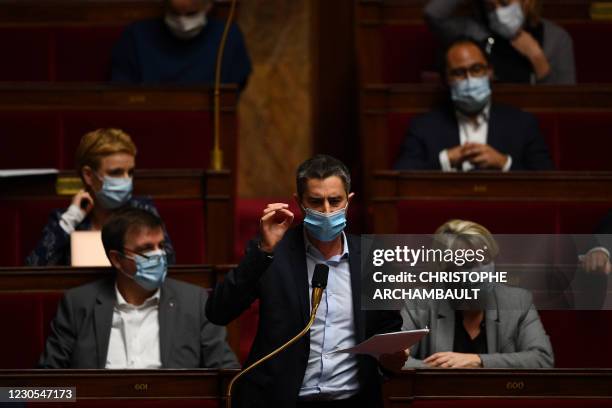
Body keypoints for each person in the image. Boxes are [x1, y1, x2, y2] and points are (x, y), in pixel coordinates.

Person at [206, 155, 405, 408]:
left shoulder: (373, 258)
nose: (326, 211)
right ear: (299, 203)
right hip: (284, 400)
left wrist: (393, 357)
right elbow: (218, 312)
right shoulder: (272, 255)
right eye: (315, 202)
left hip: (353, 400)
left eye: (335, 201)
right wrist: (263, 251)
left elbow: (387, 330)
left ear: (348, 201)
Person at [39, 207, 238, 369]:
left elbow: (226, 374)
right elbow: (48, 382)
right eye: (146, 249)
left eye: (161, 246)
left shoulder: (196, 302)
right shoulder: (78, 304)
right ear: (117, 259)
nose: (159, 255)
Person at [401, 219, 554, 368]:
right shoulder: (420, 302)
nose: (482, 272)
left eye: (486, 261)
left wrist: (478, 361)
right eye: (468, 264)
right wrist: (442, 369)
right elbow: (393, 360)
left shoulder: (518, 301)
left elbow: (542, 359)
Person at [394, 38, 554, 171]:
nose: (469, 79)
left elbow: (547, 180)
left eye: (476, 69)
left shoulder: (522, 123)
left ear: (490, 73)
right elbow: (401, 177)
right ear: (445, 80)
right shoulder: (423, 126)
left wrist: (504, 163)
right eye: (458, 73)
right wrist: (446, 160)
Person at [26, 128, 175, 266]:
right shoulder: (67, 219)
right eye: (116, 173)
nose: (126, 180)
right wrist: (70, 219)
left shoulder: (143, 209)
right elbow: (34, 269)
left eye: (130, 172)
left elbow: (168, 262)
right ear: (89, 175)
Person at [424, 0, 575, 84]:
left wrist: (537, 58)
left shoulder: (556, 38)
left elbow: (563, 103)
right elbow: (432, 14)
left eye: (504, 3)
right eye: (490, 6)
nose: (497, 12)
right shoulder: (472, 30)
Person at [111, 0, 251, 89]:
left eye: (191, 14)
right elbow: (121, 94)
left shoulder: (228, 37)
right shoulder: (136, 35)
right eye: (175, 13)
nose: (182, 22)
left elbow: (233, 92)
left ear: (208, 6)